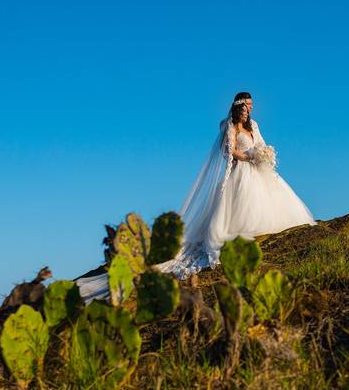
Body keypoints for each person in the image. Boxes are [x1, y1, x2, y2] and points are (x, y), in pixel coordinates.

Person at [76, 92, 316, 302]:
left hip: (257, 169)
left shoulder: (254, 126)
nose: (251, 109)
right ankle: (238, 234)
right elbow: (229, 151)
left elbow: (260, 143)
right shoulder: (230, 127)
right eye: (248, 105)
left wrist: (263, 154)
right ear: (239, 107)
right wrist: (247, 157)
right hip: (242, 170)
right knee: (241, 204)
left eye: (252, 106)